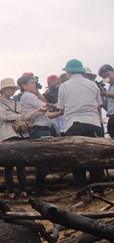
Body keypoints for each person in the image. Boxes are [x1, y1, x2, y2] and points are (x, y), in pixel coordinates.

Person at [49, 59, 104, 196]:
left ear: (68, 72)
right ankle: (98, 190)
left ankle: (81, 190)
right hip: (94, 124)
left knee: (76, 159)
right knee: (96, 158)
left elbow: (61, 108)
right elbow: (98, 105)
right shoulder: (92, 85)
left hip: (73, 124)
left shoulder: (64, 86)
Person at [0, 78, 49, 199]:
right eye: (10, 88)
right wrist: (21, 118)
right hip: (8, 136)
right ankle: (11, 190)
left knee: (21, 165)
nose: (12, 90)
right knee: (9, 165)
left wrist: (39, 111)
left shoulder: (18, 104)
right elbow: (5, 115)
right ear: (4, 90)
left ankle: (23, 190)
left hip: (22, 136)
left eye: (13, 88)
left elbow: (27, 116)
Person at [17, 75, 55, 196]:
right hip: (39, 130)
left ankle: (40, 187)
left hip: (42, 129)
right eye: (32, 83)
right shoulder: (27, 96)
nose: (34, 85)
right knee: (43, 160)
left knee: (45, 160)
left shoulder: (30, 96)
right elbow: (45, 105)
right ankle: (39, 188)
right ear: (24, 85)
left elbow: (45, 109)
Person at [99, 64, 114, 138]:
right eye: (105, 77)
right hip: (111, 118)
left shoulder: (108, 92)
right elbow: (108, 108)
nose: (108, 78)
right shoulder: (109, 88)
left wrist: (106, 94)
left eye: (109, 75)